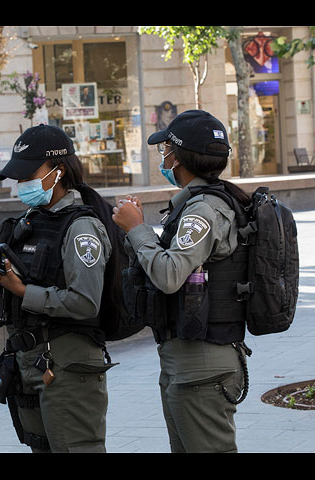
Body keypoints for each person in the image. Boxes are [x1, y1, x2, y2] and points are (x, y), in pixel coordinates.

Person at [0, 124, 125, 453]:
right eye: (18, 178)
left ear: (58, 171)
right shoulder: (21, 226)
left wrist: (23, 291)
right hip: (26, 361)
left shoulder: (82, 227)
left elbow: (85, 303)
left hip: (68, 365)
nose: (22, 186)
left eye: (28, 176)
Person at [112, 109, 252, 453]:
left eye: (166, 151)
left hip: (202, 364)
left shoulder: (203, 210)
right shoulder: (196, 204)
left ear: (181, 157)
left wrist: (136, 230)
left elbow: (170, 275)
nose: (164, 158)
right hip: (187, 359)